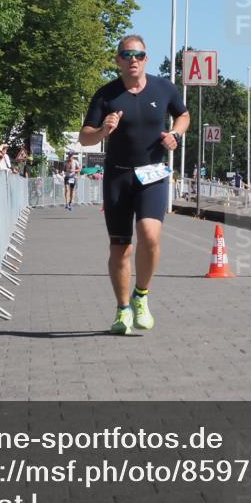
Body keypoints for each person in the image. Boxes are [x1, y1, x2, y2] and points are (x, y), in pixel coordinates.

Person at [79, 35, 190, 335]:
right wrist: (103, 130)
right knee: (121, 249)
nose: (133, 60)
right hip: (118, 176)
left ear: (146, 59)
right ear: (117, 60)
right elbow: (84, 137)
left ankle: (141, 295)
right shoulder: (106, 96)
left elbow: (183, 114)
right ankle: (122, 309)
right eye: (127, 55)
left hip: (152, 173)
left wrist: (176, 136)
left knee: (150, 234)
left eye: (138, 55)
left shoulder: (164, 88)